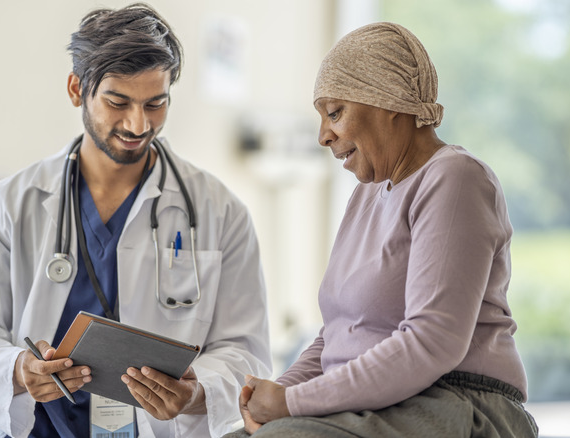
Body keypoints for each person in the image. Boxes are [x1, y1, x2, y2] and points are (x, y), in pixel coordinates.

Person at [0, 4, 271, 437]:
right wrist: (19, 370)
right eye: (118, 102)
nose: (138, 123)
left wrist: (196, 391)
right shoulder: (12, 204)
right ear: (77, 89)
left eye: (156, 103)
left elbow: (246, 349)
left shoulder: (219, 211)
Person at [227, 22, 538, 437]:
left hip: (458, 401)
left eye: (335, 113)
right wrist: (278, 393)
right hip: (380, 405)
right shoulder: (367, 195)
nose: (323, 135)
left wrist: (290, 404)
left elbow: (434, 341)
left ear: (389, 100)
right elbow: (338, 336)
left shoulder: (455, 178)